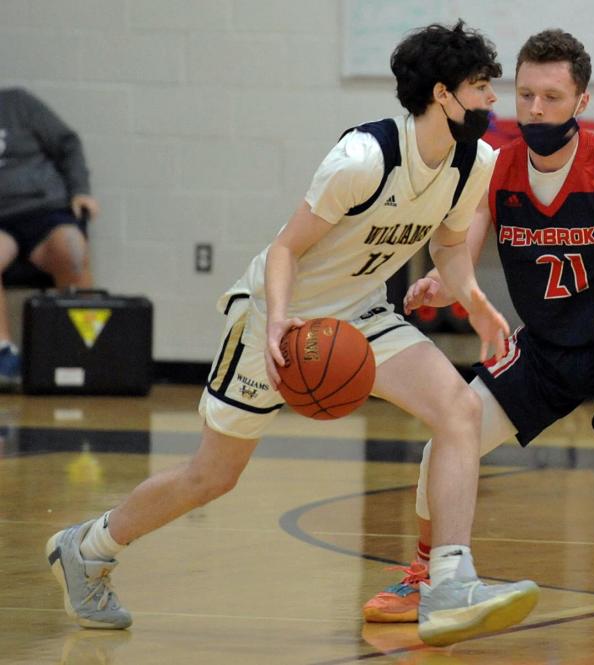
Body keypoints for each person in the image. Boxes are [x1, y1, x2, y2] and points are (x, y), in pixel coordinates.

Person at [44, 21, 539, 647]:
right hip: (281, 319)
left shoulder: (476, 161)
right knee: (212, 477)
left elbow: (447, 245)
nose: (493, 101)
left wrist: (475, 302)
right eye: (481, 88)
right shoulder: (362, 159)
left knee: (459, 410)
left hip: (360, 313)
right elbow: (285, 250)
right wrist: (276, 320)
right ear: (442, 95)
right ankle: (88, 547)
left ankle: (447, 582)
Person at [362, 29, 594, 630]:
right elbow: (467, 236)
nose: (536, 110)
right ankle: (424, 573)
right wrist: (442, 279)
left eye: (553, 98)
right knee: (447, 438)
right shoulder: (495, 165)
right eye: (526, 96)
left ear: (581, 103)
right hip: (544, 344)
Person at [0, 88, 97, 382]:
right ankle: (4, 354)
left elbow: (68, 144)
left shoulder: (18, 103)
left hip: (46, 212)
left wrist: (80, 190)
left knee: (73, 250)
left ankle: (85, 351)